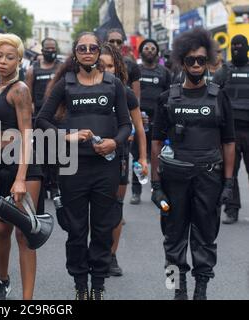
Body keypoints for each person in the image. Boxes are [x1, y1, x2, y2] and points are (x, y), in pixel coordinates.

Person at [36, 32, 131, 300]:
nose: (87, 52)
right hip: (72, 166)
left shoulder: (113, 85)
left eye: (92, 48)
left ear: (99, 51)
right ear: (75, 53)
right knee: (76, 230)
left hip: (105, 168)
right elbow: (41, 120)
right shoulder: (65, 85)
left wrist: (114, 142)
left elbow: (126, 125)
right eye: (82, 48)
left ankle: (98, 285)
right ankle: (80, 285)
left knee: (102, 228)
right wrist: (67, 136)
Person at [151, 28, 235, 300]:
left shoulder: (219, 96)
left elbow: (229, 141)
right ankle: (176, 290)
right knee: (172, 239)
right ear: (181, 62)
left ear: (208, 60)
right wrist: (154, 184)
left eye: (201, 60)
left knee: (205, 238)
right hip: (173, 180)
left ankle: (201, 291)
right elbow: (155, 141)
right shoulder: (167, 98)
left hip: (209, 178)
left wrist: (229, 182)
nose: (196, 65)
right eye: (190, 60)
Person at [0, 33, 43, 300]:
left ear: (19, 60)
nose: (3, 62)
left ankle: (28, 299)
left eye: (10, 57)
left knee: (24, 233)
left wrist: (20, 177)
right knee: (1, 228)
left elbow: (27, 134)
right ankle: (3, 281)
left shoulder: (20, 90)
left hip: (22, 165)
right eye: (0, 56)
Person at [99, 43, 147, 277]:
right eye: (102, 65)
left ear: (117, 68)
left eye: (110, 65)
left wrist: (144, 158)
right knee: (94, 209)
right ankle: (96, 252)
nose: (106, 70)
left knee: (115, 208)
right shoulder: (81, 89)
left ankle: (112, 256)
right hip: (90, 158)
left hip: (119, 157)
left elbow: (139, 128)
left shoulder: (125, 92)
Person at [213, 34, 249, 225]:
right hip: (231, 131)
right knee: (230, 172)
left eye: (240, 45)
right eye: (233, 45)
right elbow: (213, 92)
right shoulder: (225, 70)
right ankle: (232, 209)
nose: (236, 48)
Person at [130, 39, 171, 205]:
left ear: (157, 52)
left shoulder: (164, 72)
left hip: (158, 120)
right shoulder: (135, 71)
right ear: (141, 52)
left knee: (159, 157)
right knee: (138, 157)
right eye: (146, 48)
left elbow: (170, 95)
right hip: (139, 119)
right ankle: (135, 191)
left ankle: (158, 190)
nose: (149, 50)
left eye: (153, 48)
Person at [25, 38, 62, 200]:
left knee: (55, 153)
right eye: (47, 48)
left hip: (57, 117)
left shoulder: (61, 68)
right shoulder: (33, 69)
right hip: (39, 116)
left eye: (53, 48)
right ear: (43, 50)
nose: (51, 51)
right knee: (41, 153)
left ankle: (54, 186)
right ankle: (42, 185)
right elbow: (27, 94)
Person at [106, 28, 141, 99]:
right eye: (112, 41)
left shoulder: (132, 65)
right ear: (106, 42)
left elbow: (136, 96)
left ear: (122, 44)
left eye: (118, 42)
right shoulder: (98, 63)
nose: (115, 44)